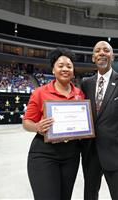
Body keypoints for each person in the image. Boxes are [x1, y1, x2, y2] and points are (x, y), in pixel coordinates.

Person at [80, 41, 118, 200]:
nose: (102, 53)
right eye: (97, 51)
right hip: (90, 154)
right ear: (93, 57)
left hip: (117, 155)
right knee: (89, 196)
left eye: (106, 50)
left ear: (112, 56)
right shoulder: (86, 84)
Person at [23, 47, 85, 200]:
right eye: (61, 65)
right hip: (44, 153)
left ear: (73, 70)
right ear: (53, 70)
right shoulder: (40, 92)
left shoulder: (79, 94)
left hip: (71, 154)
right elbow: (26, 122)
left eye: (69, 66)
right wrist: (37, 127)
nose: (65, 69)